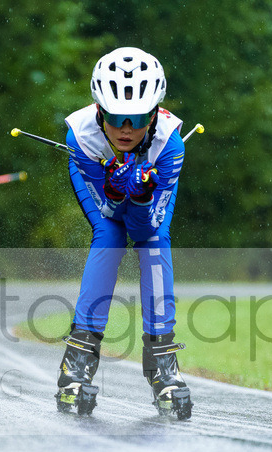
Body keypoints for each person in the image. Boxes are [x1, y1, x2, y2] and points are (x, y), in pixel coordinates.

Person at [55, 47, 192, 419]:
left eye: (138, 118)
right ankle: (78, 360)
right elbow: (111, 216)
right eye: (117, 118)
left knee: (153, 241)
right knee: (110, 236)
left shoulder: (169, 145)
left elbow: (144, 227)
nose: (127, 129)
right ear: (100, 112)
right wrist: (115, 192)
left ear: (154, 114)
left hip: (149, 199)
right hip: (103, 188)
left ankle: (162, 362)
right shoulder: (81, 138)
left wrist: (143, 194)